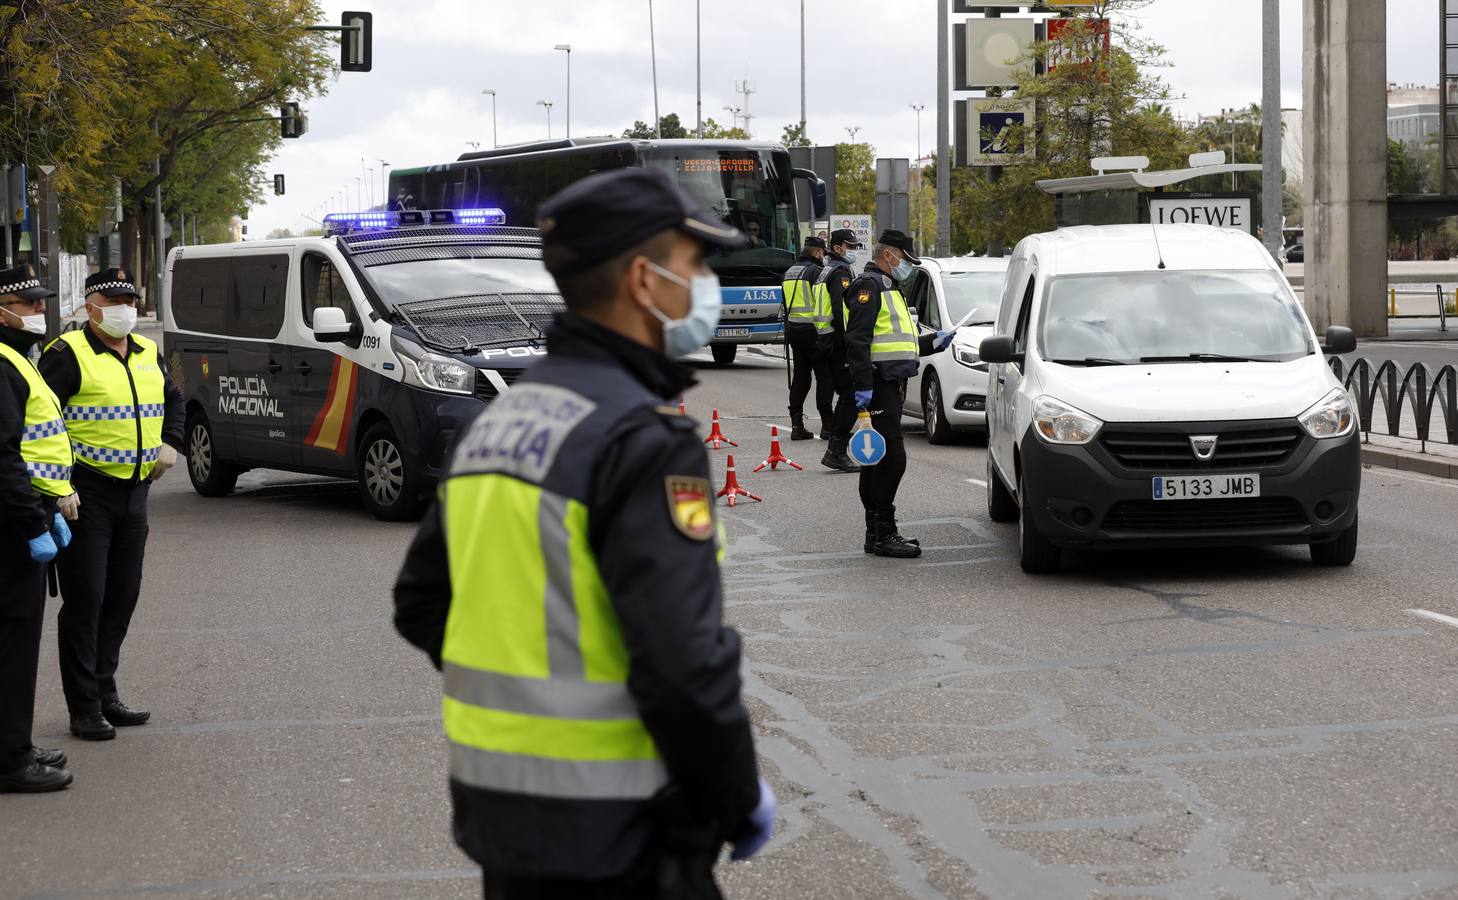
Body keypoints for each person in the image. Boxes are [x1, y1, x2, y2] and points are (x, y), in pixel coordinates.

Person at [393, 167, 773, 900]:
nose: (703, 284)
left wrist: (531, 713)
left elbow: (422, 602)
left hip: (502, 818)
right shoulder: (644, 439)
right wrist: (733, 793)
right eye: (693, 265)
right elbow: (682, 663)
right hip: (629, 833)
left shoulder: (500, 420)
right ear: (643, 279)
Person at [39, 268, 185, 741]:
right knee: (87, 600)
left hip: (136, 492)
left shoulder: (147, 352)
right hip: (88, 493)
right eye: (113, 298)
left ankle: (106, 693)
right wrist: (57, 485)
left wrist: (172, 442)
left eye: (130, 298)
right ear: (90, 305)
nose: (125, 306)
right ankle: (84, 708)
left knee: (122, 596)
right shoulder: (66, 355)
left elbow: (175, 400)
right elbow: (41, 423)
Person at [0, 265, 76, 792]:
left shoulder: (16, 359)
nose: (38, 313)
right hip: (11, 528)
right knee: (12, 646)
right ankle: (9, 761)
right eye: (29, 306)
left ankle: (16, 744)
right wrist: (33, 521)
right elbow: (4, 459)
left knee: (18, 643)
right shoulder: (3, 364)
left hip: (25, 516)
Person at [844, 230, 952, 558]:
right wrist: (862, 385)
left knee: (876, 459)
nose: (906, 265)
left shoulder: (891, 288)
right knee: (891, 459)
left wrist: (931, 343)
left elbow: (897, 342)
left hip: (890, 382)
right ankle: (883, 533)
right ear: (889, 255)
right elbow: (857, 340)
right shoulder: (870, 285)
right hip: (877, 385)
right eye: (905, 258)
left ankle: (875, 533)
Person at [813, 229, 865, 472]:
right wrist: (850, 343)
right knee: (850, 396)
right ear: (836, 247)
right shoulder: (841, 272)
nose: (853, 250)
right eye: (849, 246)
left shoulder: (825, 270)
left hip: (826, 340)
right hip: (839, 342)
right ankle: (836, 450)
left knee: (845, 394)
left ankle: (836, 448)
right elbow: (840, 309)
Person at [780, 235, 834, 441]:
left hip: (794, 331)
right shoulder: (815, 272)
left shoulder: (789, 272)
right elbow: (821, 302)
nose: (823, 257)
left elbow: (786, 304)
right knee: (824, 377)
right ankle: (827, 426)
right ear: (815, 252)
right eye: (822, 253)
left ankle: (796, 425)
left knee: (801, 377)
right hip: (814, 331)